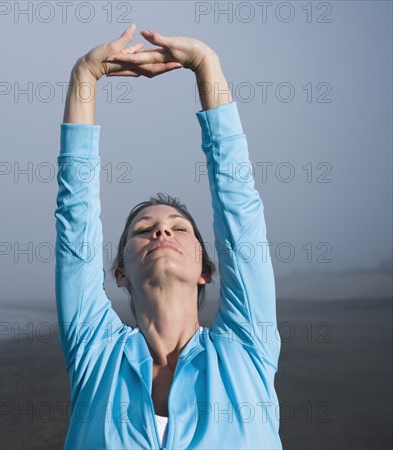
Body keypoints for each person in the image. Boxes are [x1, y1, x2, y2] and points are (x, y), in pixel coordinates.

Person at [54, 24, 282, 449]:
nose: (161, 229)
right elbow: (75, 223)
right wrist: (84, 78)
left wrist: (207, 66)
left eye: (179, 227)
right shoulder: (96, 353)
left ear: (206, 270)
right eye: (143, 230)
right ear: (120, 273)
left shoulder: (245, 347)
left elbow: (240, 210)